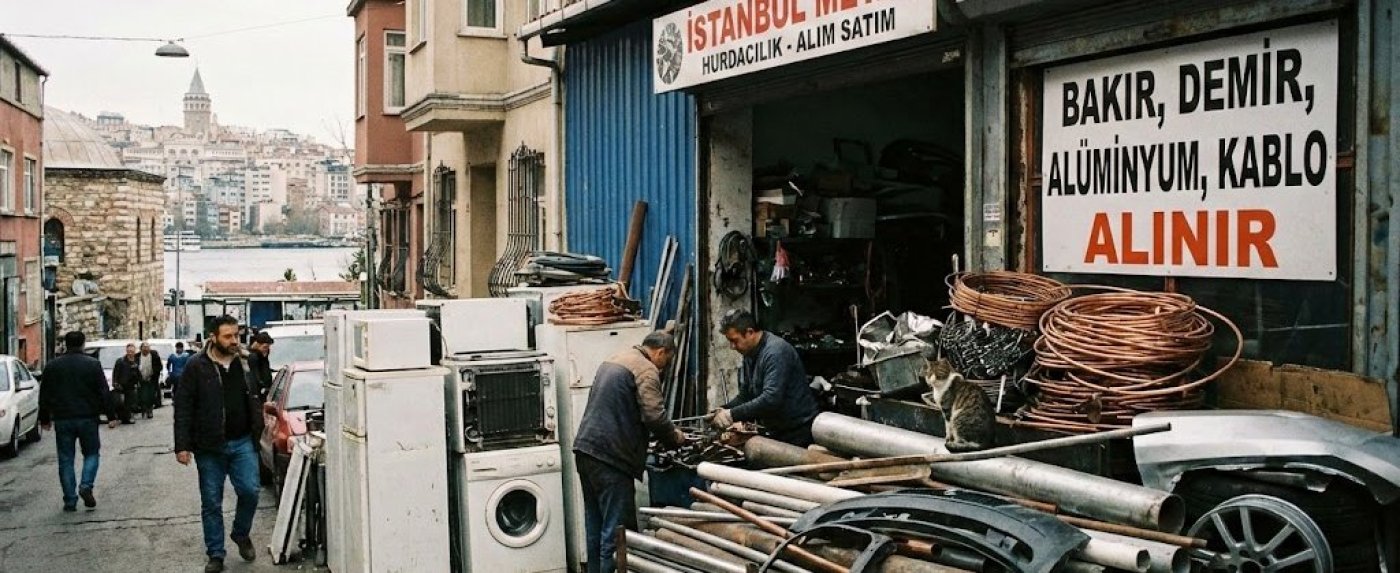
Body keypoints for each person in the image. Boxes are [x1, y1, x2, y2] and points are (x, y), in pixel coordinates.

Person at [572, 331, 686, 573]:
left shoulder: (618, 357)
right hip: (611, 458)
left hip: (586, 450)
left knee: (595, 525)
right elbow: (654, 415)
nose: (664, 369)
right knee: (616, 532)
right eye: (666, 361)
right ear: (661, 352)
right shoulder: (646, 369)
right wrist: (674, 437)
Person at [174, 315, 265, 573]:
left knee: (250, 491)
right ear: (213, 337)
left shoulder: (247, 362)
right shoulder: (196, 366)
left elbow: (256, 394)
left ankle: (240, 533)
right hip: (209, 447)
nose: (234, 340)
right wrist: (182, 445)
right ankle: (216, 553)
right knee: (211, 502)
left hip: (243, 441)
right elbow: (183, 407)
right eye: (228, 336)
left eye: (236, 335)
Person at [709, 309, 820, 446]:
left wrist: (731, 415)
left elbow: (771, 399)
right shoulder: (749, 354)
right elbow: (746, 395)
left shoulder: (775, 352)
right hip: (777, 431)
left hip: (798, 431)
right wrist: (723, 409)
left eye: (734, 340)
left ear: (750, 332)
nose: (732, 347)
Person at [39, 331, 121, 512]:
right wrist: (111, 416)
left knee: (66, 459)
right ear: (83, 344)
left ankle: (70, 499)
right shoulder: (92, 364)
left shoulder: (53, 366)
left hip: (63, 418)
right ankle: (86, 485)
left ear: (65, 345)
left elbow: (44, 394)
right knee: (92, 453)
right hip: (87, 417)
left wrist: (44, 418)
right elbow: (103, 392)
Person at [111, 343, 140, 424]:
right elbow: (115, 372)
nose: (130, 353)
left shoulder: (136, 361)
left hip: (131, 385)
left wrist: (138, 381)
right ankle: (122, 417)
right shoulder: (120, 361)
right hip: (121, 384)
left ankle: (127, 417)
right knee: (120, 402)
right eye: (129, 351)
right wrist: (115, 382)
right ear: (126, 351)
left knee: (129, 403)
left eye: (132, 351)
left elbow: (138, 373)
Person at [136, 341, 163, 416]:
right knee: (143, 395)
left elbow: (159, 366)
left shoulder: (154, 355)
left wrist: (153, 374)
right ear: (141, 349)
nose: (146, 349)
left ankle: (149, 410)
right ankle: (143, 409)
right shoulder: (137, 356)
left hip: (152, 378)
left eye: (147, 347)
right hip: (141, 378)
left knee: (151, 395)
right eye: (144, 348)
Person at [246, 331, 274, 400]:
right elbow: (255, 376)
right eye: (265, 347)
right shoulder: (254, 357)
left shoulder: (263, 357)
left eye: (268, 347)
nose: (266, 350)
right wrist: (263, 387)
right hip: (260, 394)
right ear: (258, 345)